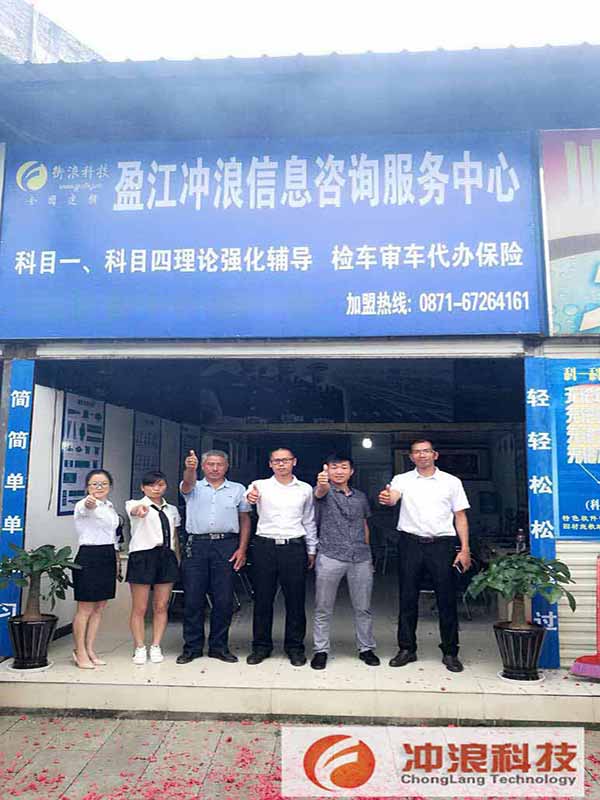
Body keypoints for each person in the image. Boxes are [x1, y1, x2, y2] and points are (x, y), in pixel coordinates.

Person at [379, 439, 471, 673]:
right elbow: (393, 497)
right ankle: (407, 649)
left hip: (442, 545)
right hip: (410, 544)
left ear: (435, 455)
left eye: (426, 451)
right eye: (417, 452)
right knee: (407, 598)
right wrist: (387, 498)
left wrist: (465, 549)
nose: (422, 455)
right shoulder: (402, 479)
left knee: (446, 599)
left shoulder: (451, 482)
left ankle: (450, 652)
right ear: (411, 457)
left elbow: (460, 516)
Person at [177, 449, 251, 664]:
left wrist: (242, 549)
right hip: (197, 545)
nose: (215, 468)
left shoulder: (238, 489)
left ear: (227, 466)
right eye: (210, 464)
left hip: (226, 545)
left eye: (219, 464)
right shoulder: (193, 487)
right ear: (203, 466)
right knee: (193, 598)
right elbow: (187, 484)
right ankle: (192, 647)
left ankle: (219, 647)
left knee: (224, 599)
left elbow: (245, 519)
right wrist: (189, 469)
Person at [245, 447, 317, 667]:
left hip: (294, 547)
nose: (281, 464)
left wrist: (311, 549)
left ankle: (295, 647)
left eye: (285, 460)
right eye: (276, 461)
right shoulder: (259, 485)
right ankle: (261, 647)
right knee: (262, 599)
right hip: (264, 547)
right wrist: (250, 497)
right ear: (270, 464)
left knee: (295, 600)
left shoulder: (305, 489)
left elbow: (309, 520)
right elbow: (248, 498)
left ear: (294, 462)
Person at [311, 455, 379, 670]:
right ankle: (321, 650)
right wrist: (322, 483)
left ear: (351, 471)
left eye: (343, 467)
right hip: (330, 555)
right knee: (323, 607)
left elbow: (364, 524)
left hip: (360, 557)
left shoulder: (360, 497)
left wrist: (368, 553)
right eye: (334, 467)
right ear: (327, 470)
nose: (339, 471)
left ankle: (366, 648)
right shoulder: (324, 492)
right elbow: (319, 492)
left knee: (363, 607)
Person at [125, 470, 181, 665]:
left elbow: (174, 536)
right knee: (140, 607)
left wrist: (177, 559)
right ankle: (139, 646)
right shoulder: (134, 504)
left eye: (160, 484)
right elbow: (134, 511)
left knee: (161, 605)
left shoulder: (171, 509)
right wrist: (139, 510)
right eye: (151, 485)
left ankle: (156, 645)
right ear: (143, 487)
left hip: (166, 556)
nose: (156, 488)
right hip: (143, 556)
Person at [72, 469, 121, 669]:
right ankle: (79, 651)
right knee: (85, 608)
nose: (99, 488)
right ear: (87, 487)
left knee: (100, 607)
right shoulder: (83, 505)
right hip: (89, 556)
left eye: (103, 484)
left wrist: (116, 560)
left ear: (110, 486)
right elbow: (87, 507)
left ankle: (90, 649)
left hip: (108, 555)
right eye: (94, 484)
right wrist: (89, 502)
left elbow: (113, 536)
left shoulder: (109, 506)